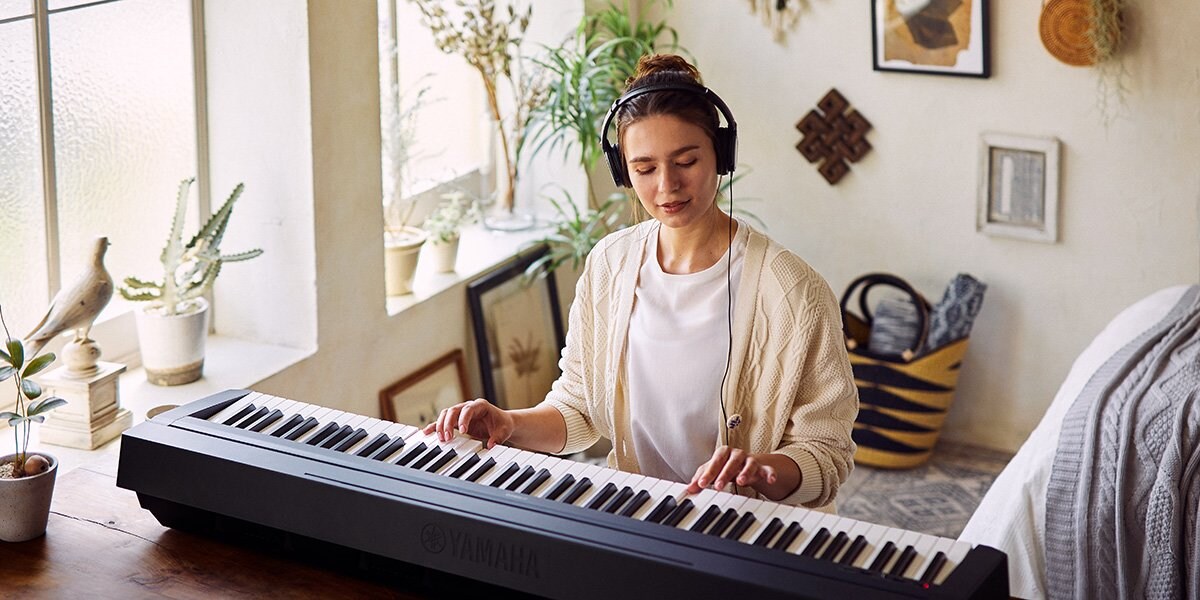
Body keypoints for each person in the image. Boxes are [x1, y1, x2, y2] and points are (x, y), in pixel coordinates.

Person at [426, 54, 858, 511]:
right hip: (641, 518)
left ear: (721, 155)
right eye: (645, 169)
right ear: (623, 171)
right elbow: (578, 411)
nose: (667, 185)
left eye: (686, 160)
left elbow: (826, 454)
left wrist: (763, 470)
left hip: (755, 531)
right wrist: (509, 423)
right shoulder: (609, 265)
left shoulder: (794, 292)